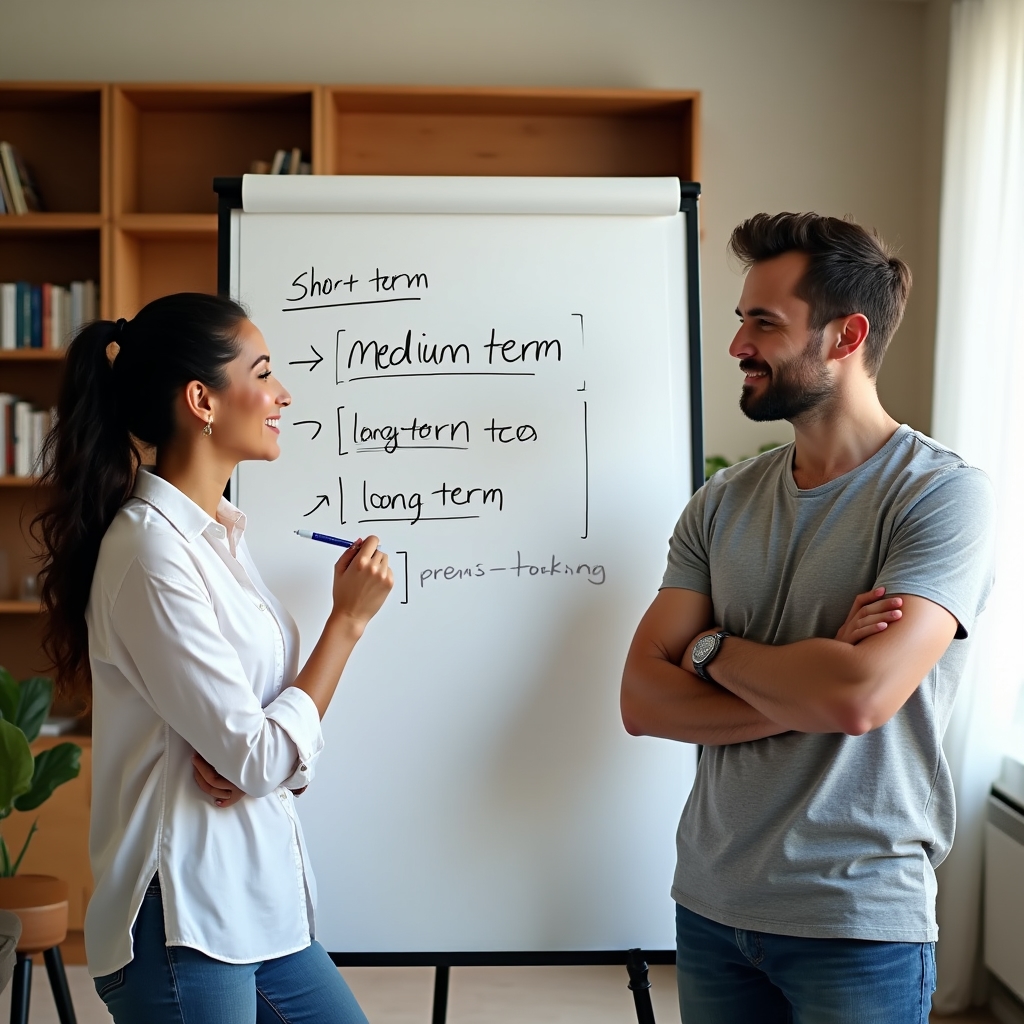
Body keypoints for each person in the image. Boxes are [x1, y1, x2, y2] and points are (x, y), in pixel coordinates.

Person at [620, 214, 995, 1024]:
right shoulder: (720, 502)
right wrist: (809, 671)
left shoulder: (942, 496)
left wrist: (706, 649)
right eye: (740, 321)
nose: (737, 347)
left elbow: (858, 701)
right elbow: (642, 703)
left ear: (844, 336)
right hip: (713, 907)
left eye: (764, 323)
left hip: (856, 920)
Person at [35, 293, 394, 1024]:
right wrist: (346, 625)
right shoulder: (151, 552)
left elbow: (261, 751)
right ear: (201, 400)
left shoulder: (219, 538)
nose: (283, 394)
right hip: (185, 920)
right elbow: (257, 754)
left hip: (260, 904)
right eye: (263, 372)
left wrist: (260, 766)